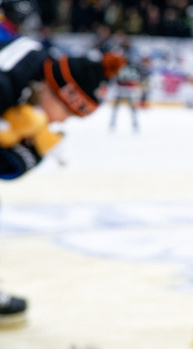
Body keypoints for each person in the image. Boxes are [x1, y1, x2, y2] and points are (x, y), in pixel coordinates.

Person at [0, 42, 125, 325]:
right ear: (54, 90)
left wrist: (24, 151)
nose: (60, 121)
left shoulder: (32, 82)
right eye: (66, 112)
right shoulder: (9, 81)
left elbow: (10, 168)